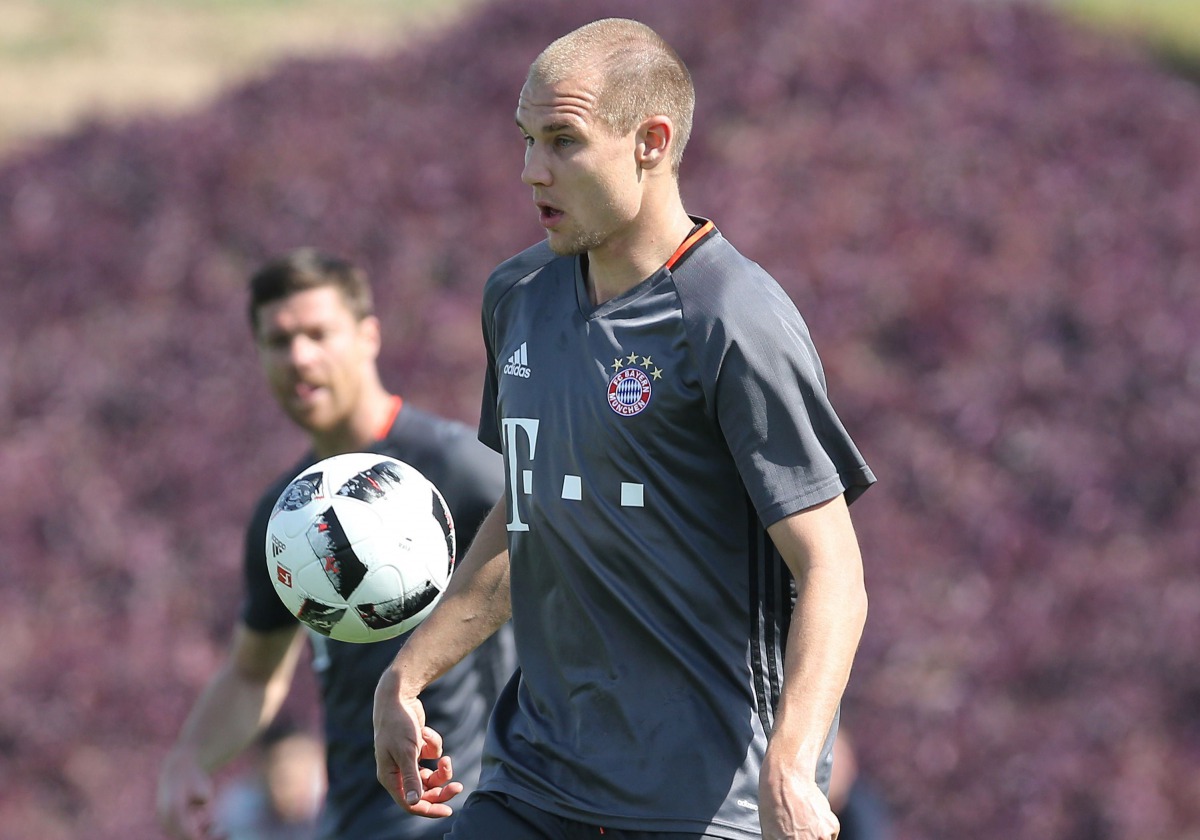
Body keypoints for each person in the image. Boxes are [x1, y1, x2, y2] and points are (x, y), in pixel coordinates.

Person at [373, 17, 874, 840]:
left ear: (651, 141)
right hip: (535, 781)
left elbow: (834, 570)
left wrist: (791, 761)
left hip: (706, 806)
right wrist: (407, 676)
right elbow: (526, 517)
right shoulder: (518, 297)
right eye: (527, 139)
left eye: (563, 141)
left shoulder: (733, 319)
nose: (532, 170)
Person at [157, 248, 515, 840]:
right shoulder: (284, 515)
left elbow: (572, 582)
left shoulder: (459, 471)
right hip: (352, 823)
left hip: (463, 814)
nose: (300, 357)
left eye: (319, 333)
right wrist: (190, 758)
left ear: (368, 336)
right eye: (279, 340)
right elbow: (253, 675)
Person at [215, 718, 326, 840]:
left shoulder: (332, 808)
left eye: (306, 773)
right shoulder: (239, 811)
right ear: (263, 770)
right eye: (286, 778)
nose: (299, 787)